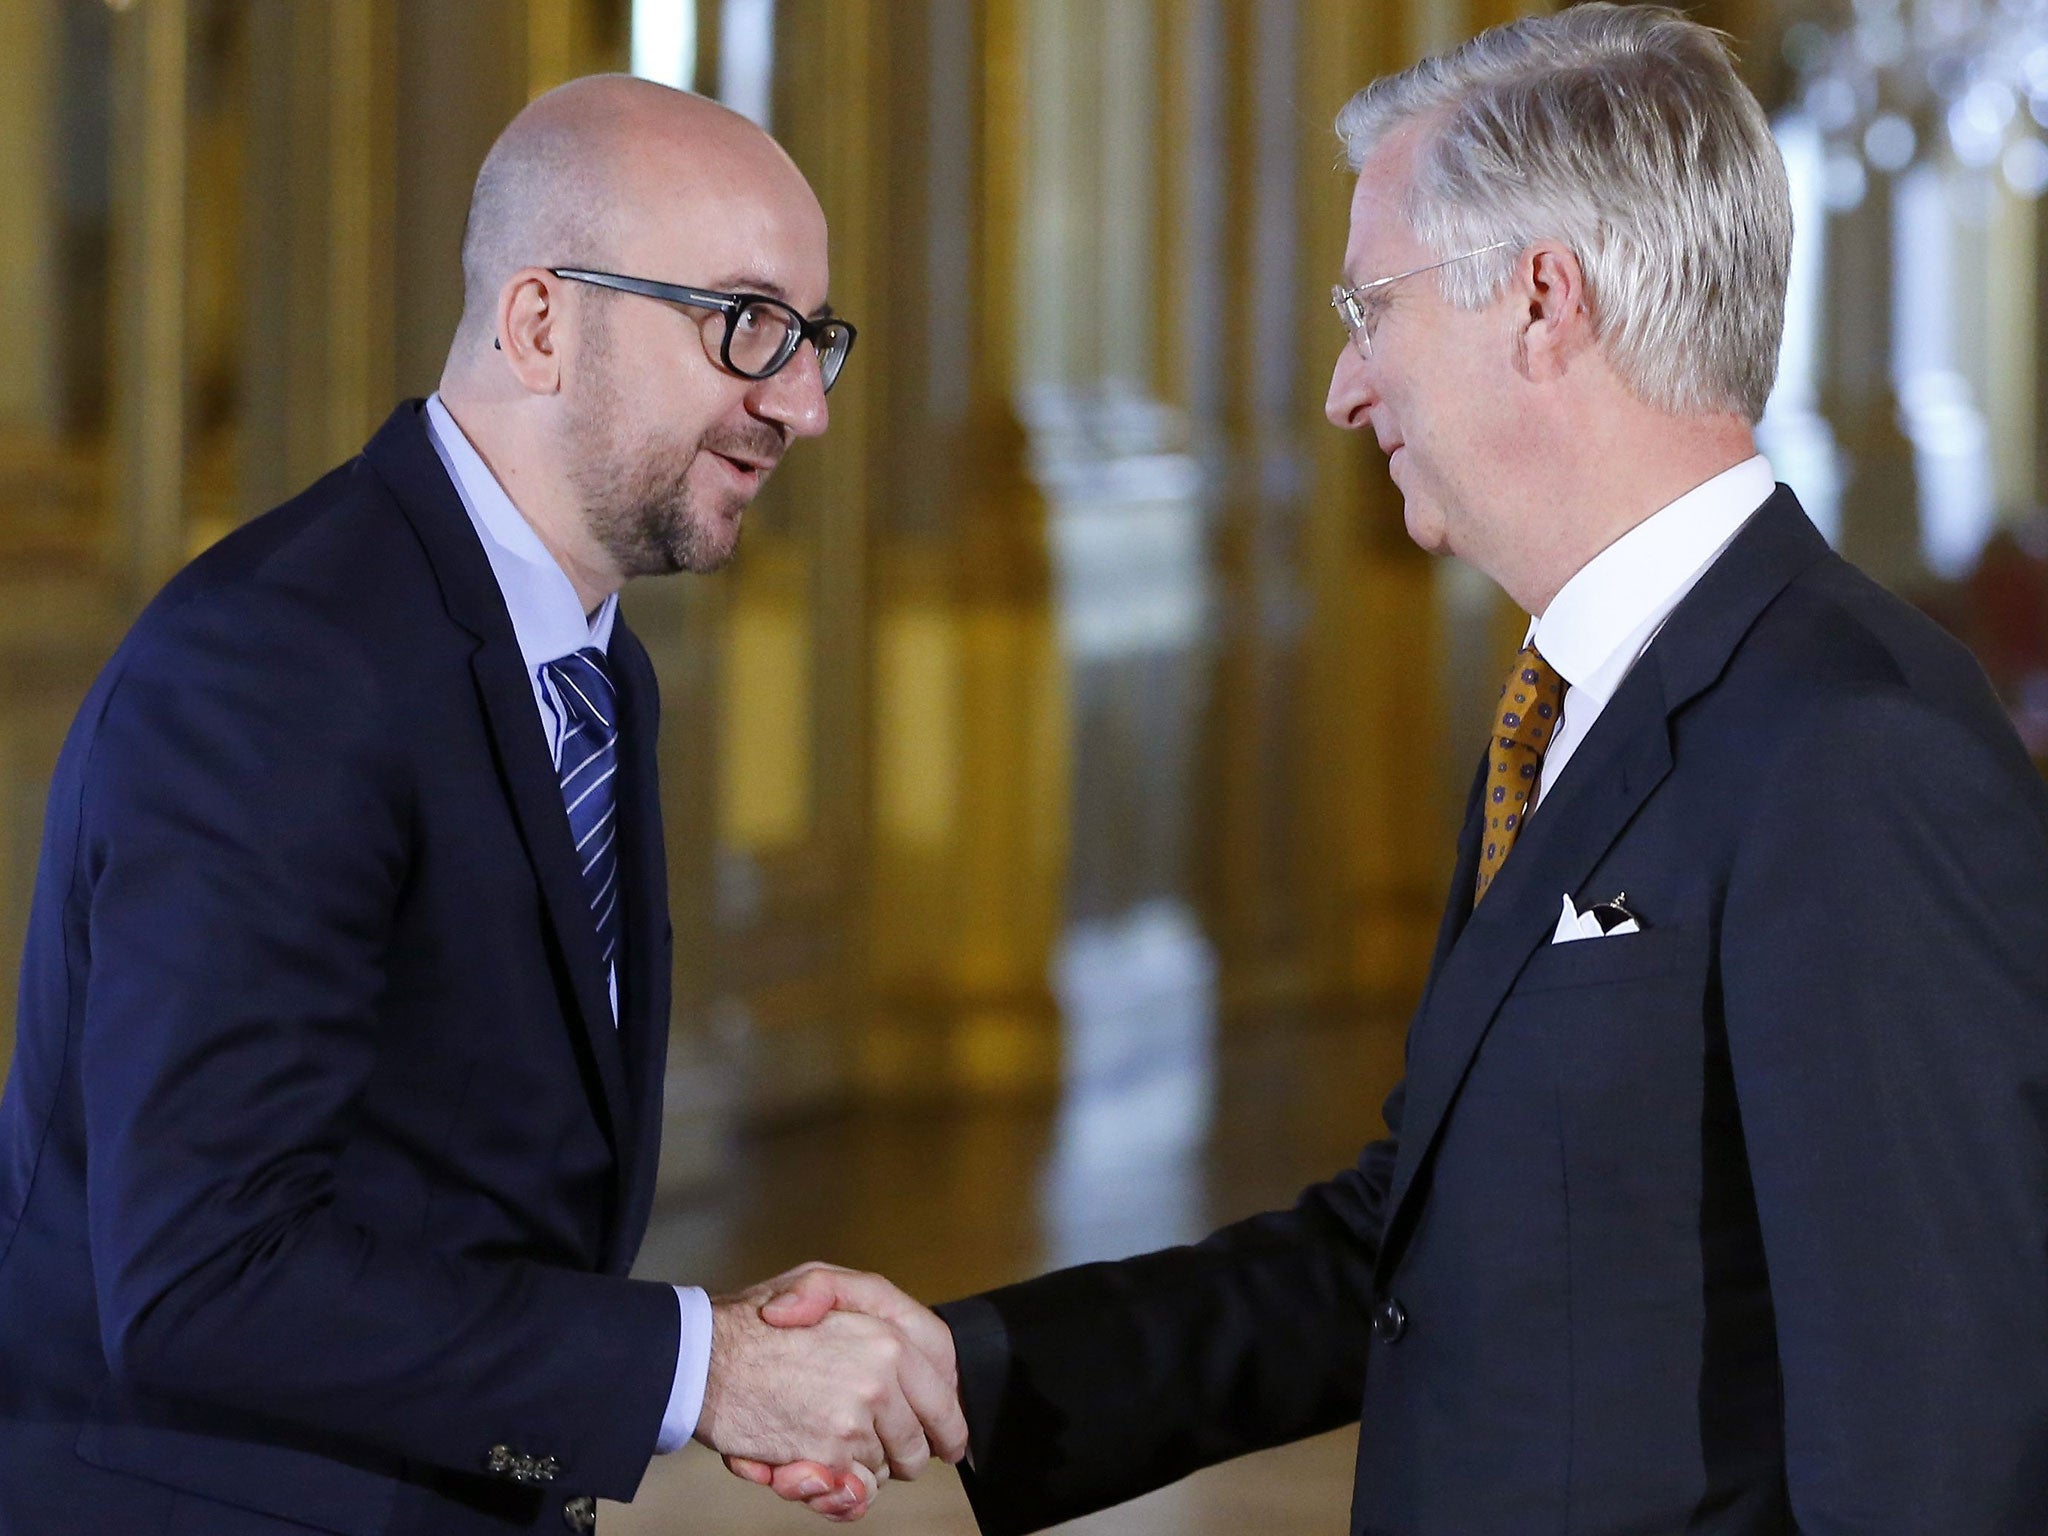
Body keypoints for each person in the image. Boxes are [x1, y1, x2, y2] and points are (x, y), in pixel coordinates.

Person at [738, 8, 2048, 1532]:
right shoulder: (1575, 703)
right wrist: (969, 1367)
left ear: (1543, 302)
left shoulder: (1851, 742)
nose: (1343, 392)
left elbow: (1943, 1424)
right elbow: (1432, 1240)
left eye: (1371, 310)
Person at [0, 76, 957, 1535]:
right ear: (538, 324)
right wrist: (700, 1374)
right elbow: (204, 1277)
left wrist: (699, 1359)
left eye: (815, 338)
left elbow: (461, 1195)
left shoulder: (591, 664)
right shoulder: (278, 663)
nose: (804, 403)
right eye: (745, 325)